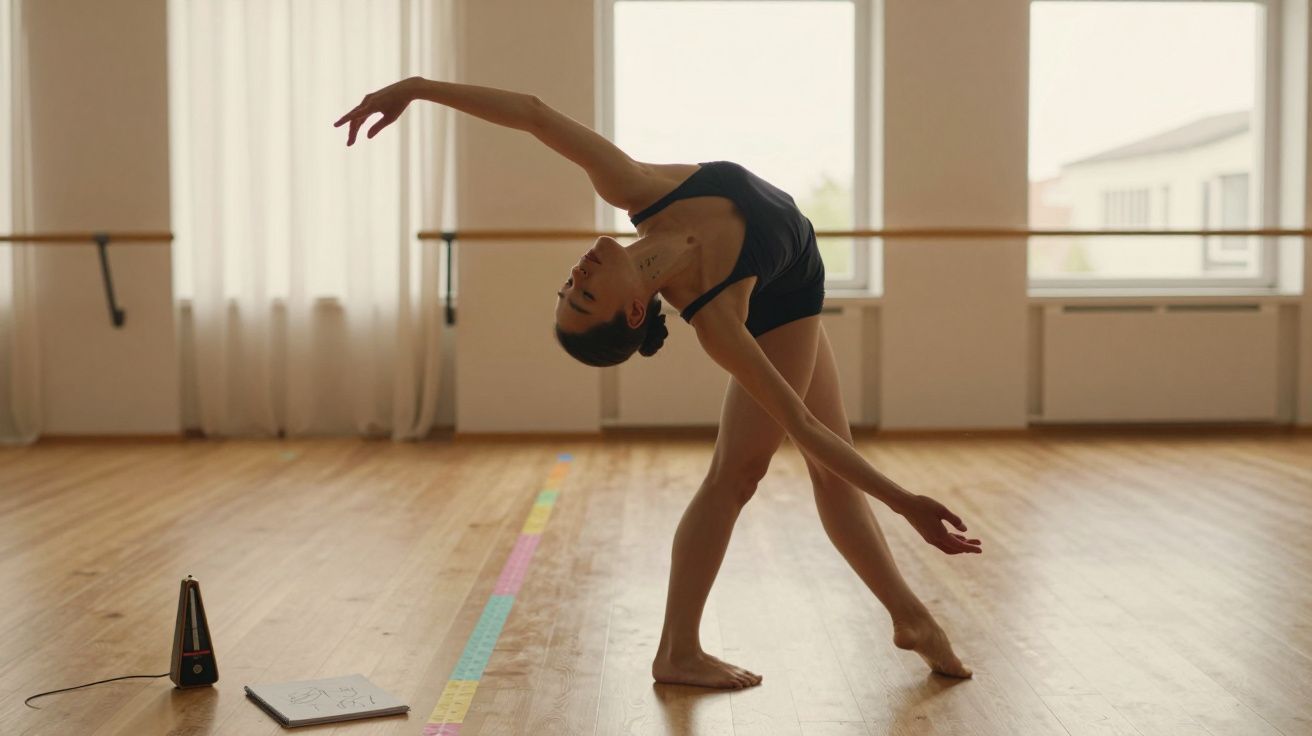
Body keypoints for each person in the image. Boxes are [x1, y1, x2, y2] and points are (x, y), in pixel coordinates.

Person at [335, 77, 982, 689]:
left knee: (823, 474)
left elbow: (531, 113)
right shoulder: (719, 321)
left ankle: (909, 618)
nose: (577, 275)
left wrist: (416, 89)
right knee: (740, 474)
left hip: (797, 274)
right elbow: (804, 430)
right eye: (585, 296)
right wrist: (907, 504)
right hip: (785, 298)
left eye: (568, 289)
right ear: (635, 311)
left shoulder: (635, 189)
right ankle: (680, 650)